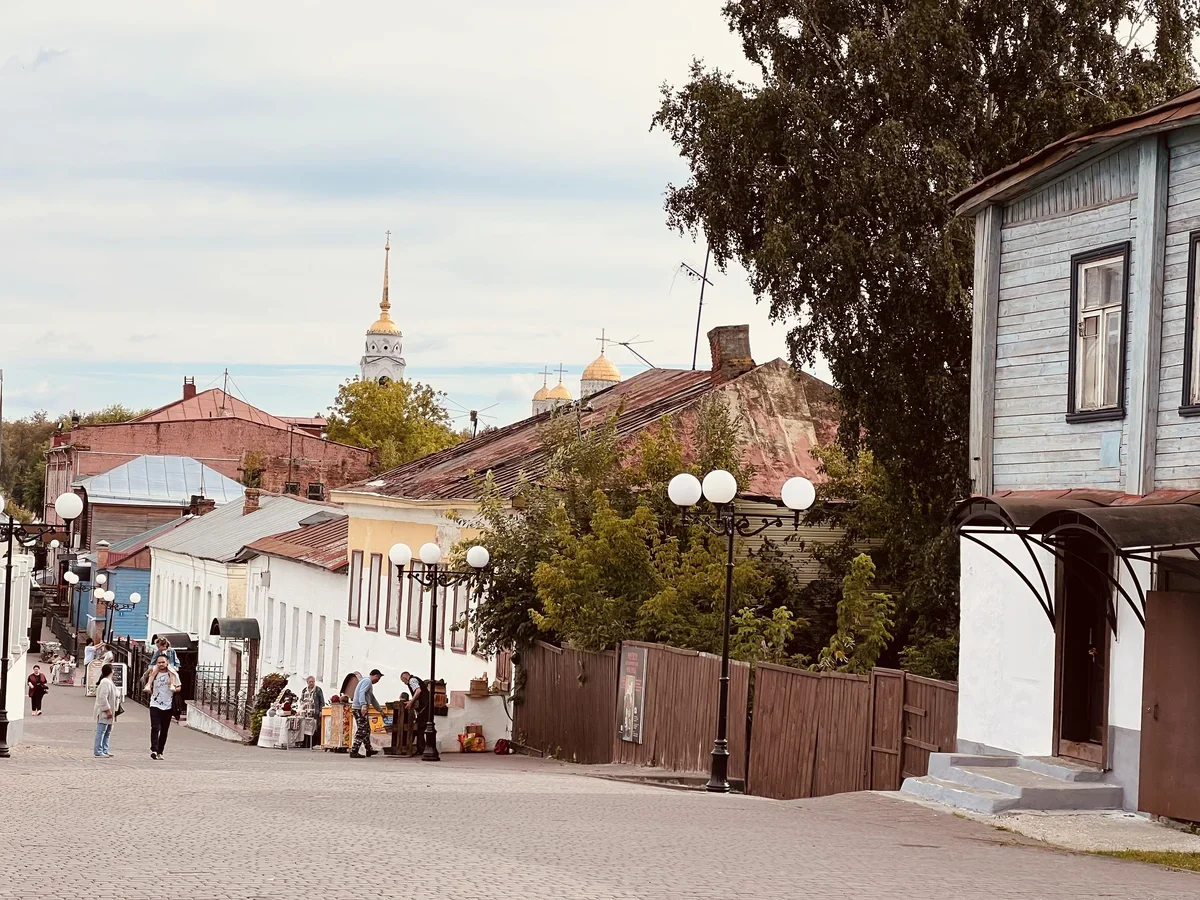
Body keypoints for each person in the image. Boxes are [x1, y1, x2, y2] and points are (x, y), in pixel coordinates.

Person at [144, 655, 181, 760]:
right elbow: (148, 685)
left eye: (163, 662)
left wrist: (174, 689)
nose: (161, 664)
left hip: (168, 705)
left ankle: (160, 751)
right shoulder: (154, 673)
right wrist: (149, 689)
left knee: (164, 730)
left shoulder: (173, 674)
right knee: (155, 727)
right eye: (159, 662)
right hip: (155, 704)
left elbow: (179, 687)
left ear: (167, 662)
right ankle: (154, 750)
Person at [350, 669, 384, 759]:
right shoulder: (367, 681)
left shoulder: (366, 683)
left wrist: (380, 710)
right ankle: (354, 750)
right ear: (375, 675)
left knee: (367, 729)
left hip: (359, 708)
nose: (377, 681)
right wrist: (363, 705)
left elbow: (372, 698)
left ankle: (369, 749)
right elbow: (362, 692)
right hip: (359, 708)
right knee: (362, 729)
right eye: (378, 678)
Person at [400, 670, 426, 756]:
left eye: (403, 681)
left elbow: (418, 691)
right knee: (420, 728)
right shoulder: (415, 679)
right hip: (424, 707)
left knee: (420, 729)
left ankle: (421, 749)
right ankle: (420, 748)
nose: (405, 683)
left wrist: (411, 702)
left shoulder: (412, 680)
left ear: (405, 678)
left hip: (424, 708)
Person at [93, 663, 116, 758]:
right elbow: (103, 697)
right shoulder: (105, 682)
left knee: (108, 731)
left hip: (111, 709)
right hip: (105, 711)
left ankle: (105, 749)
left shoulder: (109, 681)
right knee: (101, 730)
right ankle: (98, 750)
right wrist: (107, 709)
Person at [299, 675, 325, 749]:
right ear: (307, 682)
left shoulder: (318, 690)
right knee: (305, 728)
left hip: (315, 712)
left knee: (315, 728)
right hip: (306, 712)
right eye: (310, 682)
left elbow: (322, 701)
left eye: (313, 681)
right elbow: (301, 700)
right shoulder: (304, 690)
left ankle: (314, 743)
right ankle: (305, 744)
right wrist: (302, 707)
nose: (311, 683)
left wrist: (321, 710)